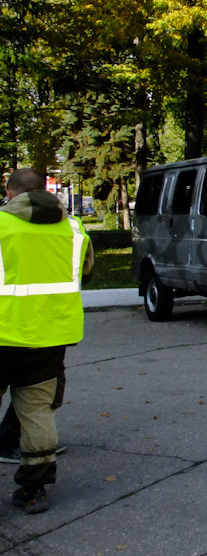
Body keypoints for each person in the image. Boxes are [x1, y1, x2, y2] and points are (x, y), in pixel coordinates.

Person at [0, 168, 93, 513]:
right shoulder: (74, 229)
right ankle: (34, 489)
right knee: (38, 413)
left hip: (2, 334)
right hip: (50, 339)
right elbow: (86, 271)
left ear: (11, 194)